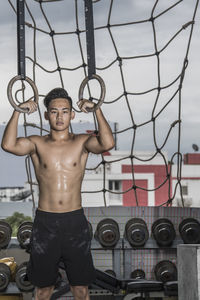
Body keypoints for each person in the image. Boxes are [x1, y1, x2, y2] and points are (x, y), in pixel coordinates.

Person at [1, 87, 115, 300]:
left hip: (75, 222)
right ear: (46, 115)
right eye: (54, 111)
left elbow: (107, 143)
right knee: (43, 290)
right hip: (46, 223)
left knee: (80, 289)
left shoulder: (81, 142)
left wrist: (97, 110)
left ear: (72, 114)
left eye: (64, 111)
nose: (60, 116)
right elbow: (8, 145)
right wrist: (17, 110)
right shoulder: (37, 143)